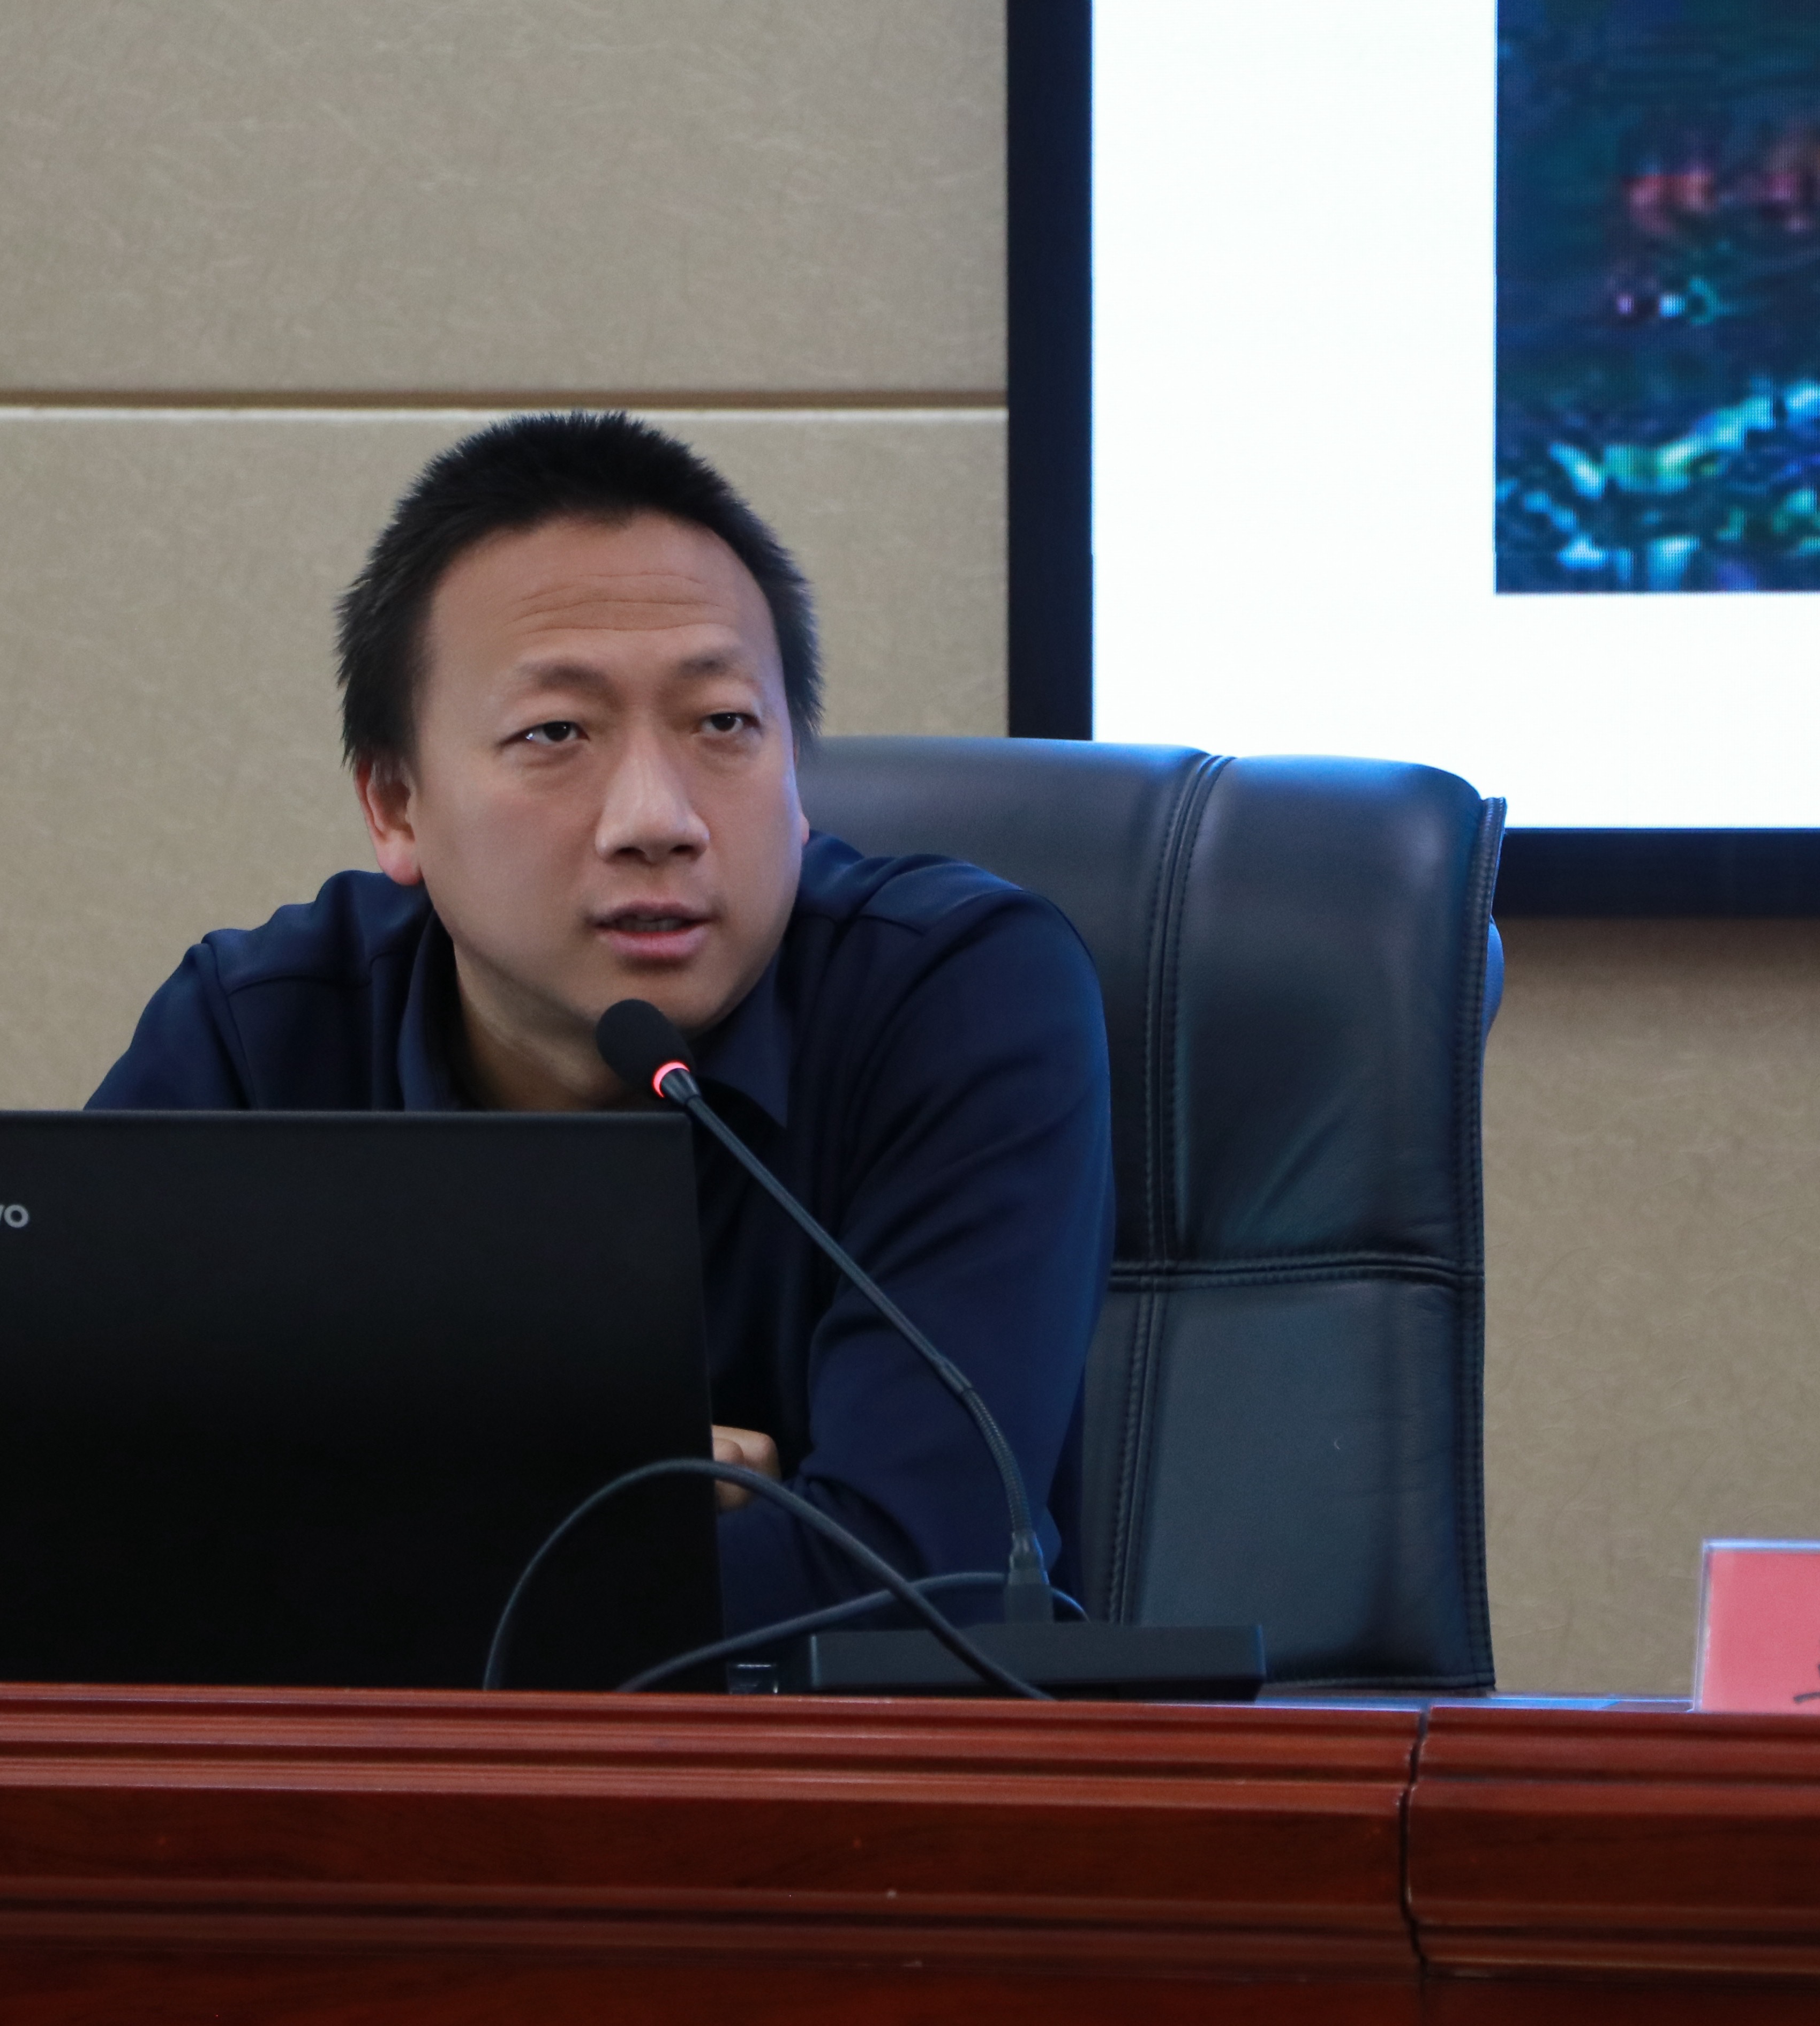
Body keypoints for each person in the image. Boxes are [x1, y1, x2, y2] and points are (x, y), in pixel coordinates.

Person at [89, 412, 1114, 1637]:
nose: (656, 819)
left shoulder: (954, 998)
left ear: (797, 779)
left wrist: (372, 1524)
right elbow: (61, 1552)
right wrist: (614, 1497)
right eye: (556, 734)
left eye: (722, 723)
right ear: (396, 803)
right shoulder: (258, 1042)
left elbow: (914, 1586)